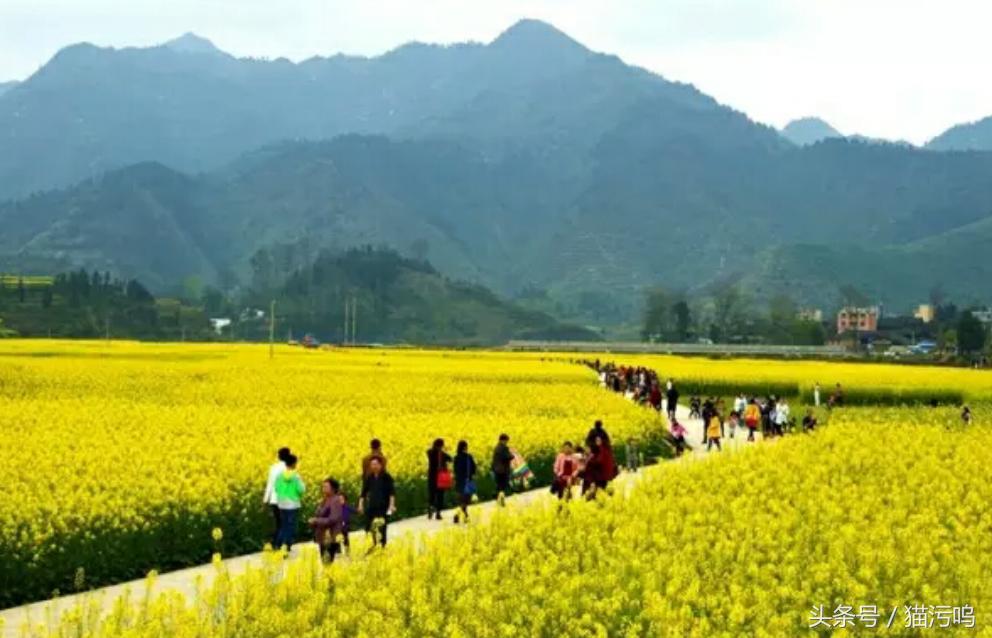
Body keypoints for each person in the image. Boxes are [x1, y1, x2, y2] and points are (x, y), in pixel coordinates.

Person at [359, 456, 396, 547]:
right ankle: (373, 545)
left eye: (376, 464)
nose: (374, 466)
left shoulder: (386, 477)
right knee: (370, 527)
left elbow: (392, 493)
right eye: (372, 464)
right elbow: (363, 493)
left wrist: (391, 505)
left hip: (383, 507)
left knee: (382, 528)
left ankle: (382, 547)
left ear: (380, 465)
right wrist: (360, 505)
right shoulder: (369, 477)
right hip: (372, 507)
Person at [274, 453, 305, 551]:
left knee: (284, 525)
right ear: (294, 464)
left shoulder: (279, 475)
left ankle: (278, 545)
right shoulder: (295, 476)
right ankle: (285, 546)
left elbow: (276, 488)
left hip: (282, 504)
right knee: (291, 527)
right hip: (292, 504)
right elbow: (301, 489)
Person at [308, 478, 344, 563]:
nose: (323, 489)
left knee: (328, 561)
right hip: (322, 535)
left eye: (326, 487)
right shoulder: (324, 500)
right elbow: (319, 514)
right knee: (324, 561)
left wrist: (316, 520)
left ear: (333, 488)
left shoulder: (335, 500)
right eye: (323, 486)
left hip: (330, 535)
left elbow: (333, 519)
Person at [263, 447, 291, 547]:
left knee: (279, 523)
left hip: (274, 500)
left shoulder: (273, 467)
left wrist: (265, 500)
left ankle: (277, 544)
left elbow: (269, 485)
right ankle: (283, 545)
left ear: (279, 456)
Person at [426, 438, 452, 520]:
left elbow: (427, 451)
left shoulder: (430, 452)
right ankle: (438, 513)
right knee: (440, 496)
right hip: (440, 478)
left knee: (432, 494)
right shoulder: (442, 454)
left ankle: (430, 508)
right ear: (441, 445)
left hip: (431, 477)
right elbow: (450, 459)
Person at [453, 440, 476, 523]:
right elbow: (474, 468)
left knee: (461, 500)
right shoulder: (468, 457)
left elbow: (455, 470)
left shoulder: (456, 457)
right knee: (466, 500)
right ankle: (459, 515)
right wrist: (471, 475)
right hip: (467, 481)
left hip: (459, 481)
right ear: (465, 447)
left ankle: (464, 516)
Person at [491, 433, 514, 502]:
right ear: (503, 440)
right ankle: (496, 496)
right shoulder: (503, 448)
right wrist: (512, 456)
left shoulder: (496, 447)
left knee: (500, 485)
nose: (507, 443)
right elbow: (506, 457)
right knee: (503, 485)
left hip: (497, 469)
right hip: (503, 469)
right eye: (506, 441)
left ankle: (498, 497)